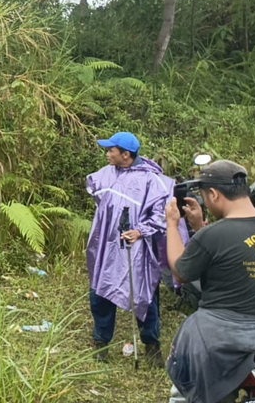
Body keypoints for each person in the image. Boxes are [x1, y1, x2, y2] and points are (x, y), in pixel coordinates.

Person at [166, 160, 255, 403]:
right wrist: (200, 226)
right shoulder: (212, 234)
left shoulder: (213, 235)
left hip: (222, 337)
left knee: (185, 393)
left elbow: (180, 271)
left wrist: (172, 224)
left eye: (205, 197)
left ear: (214, 194)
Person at [85, 131, 173, 365]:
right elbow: (100, 199)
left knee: (145, 294)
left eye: (111, 150)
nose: (107, 153)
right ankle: (100, 343)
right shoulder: (105, 174)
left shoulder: (151, 180)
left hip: (137, 248)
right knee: (100, 291)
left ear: (125, 155)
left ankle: (152, 346)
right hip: (106, 245)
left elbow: (161, 214)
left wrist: (140, 231)